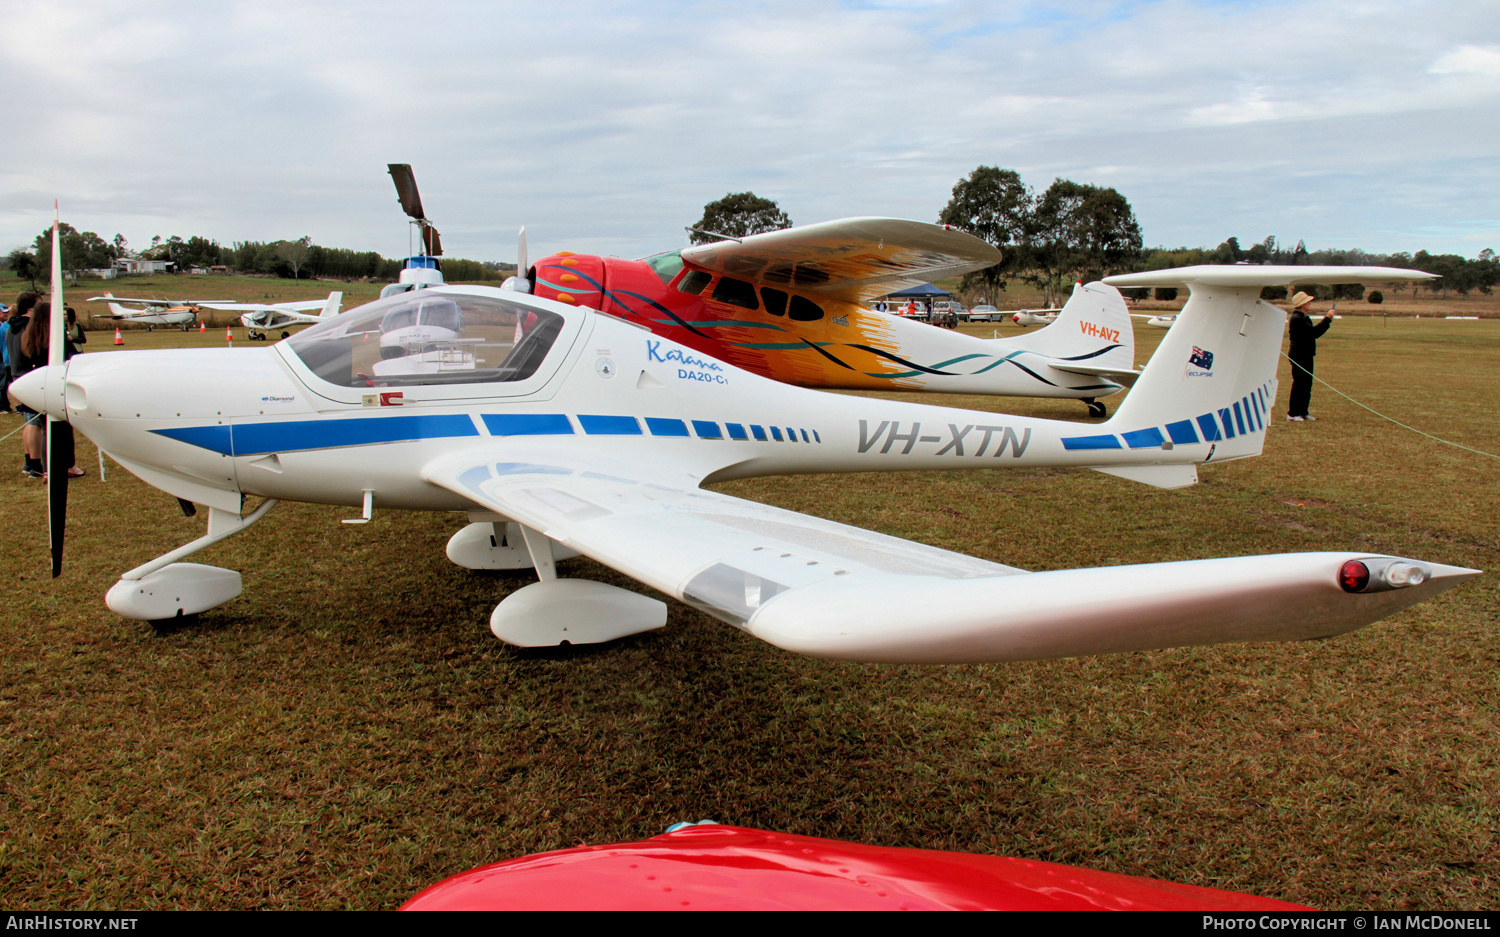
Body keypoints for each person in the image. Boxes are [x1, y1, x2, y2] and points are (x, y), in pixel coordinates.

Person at [14, 301, 84, 478]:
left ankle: (47, 469)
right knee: (64, 428)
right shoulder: (53, 336)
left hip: (40, 385)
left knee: (47, 428)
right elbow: (70, 357)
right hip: (56, 385)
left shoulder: (29, 336)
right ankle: (68, 466)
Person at [1286, 291, 1333, 422]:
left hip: (1307, 355)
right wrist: (1328, 319)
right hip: (1298, 356)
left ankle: (1303, 412)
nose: (1310, 303)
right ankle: (1292, 413)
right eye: (1307, 301)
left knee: (1307, 384)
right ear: (1302, 304)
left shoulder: (1305, 318)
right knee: (1299, 384)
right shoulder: (1297, 319)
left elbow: (1314, 334)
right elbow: (1313, 333)